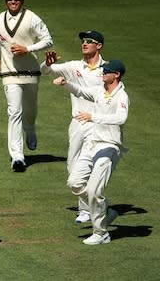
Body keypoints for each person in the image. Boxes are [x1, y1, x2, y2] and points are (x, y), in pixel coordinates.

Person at [52, 59, 129, 245]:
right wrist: (66, 83)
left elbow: (121, 118)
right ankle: (105, 211)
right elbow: (80, 91)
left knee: (95, 190)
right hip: (92, 144)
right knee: (75, 182)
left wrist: (92, 116)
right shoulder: (98, 91)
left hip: (108, 146)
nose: (102, 73)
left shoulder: (122, 96)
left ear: (116, 75)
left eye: (106, 71)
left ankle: (101, 233)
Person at [41, 30, 105, 223]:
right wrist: (48, 63)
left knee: (91, 167)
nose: (84, 44)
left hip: (96, 122)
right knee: (72, 165)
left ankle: (87, 210)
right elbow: (44, 71)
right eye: (83, 41)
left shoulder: (107, 69)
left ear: (99, 45)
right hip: (77, 122)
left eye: (89, 41)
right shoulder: (74, 66)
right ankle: (90, 205)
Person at [0, 0, 53, 172]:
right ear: (6, 1)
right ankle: (17, 156)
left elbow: (48, 40)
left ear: (22, 1)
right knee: (14, 111)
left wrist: (28, 49)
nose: (13, 2)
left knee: (30, 110)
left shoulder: (33, 18)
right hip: (9, 73)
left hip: (31, 72)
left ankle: (31, 128)